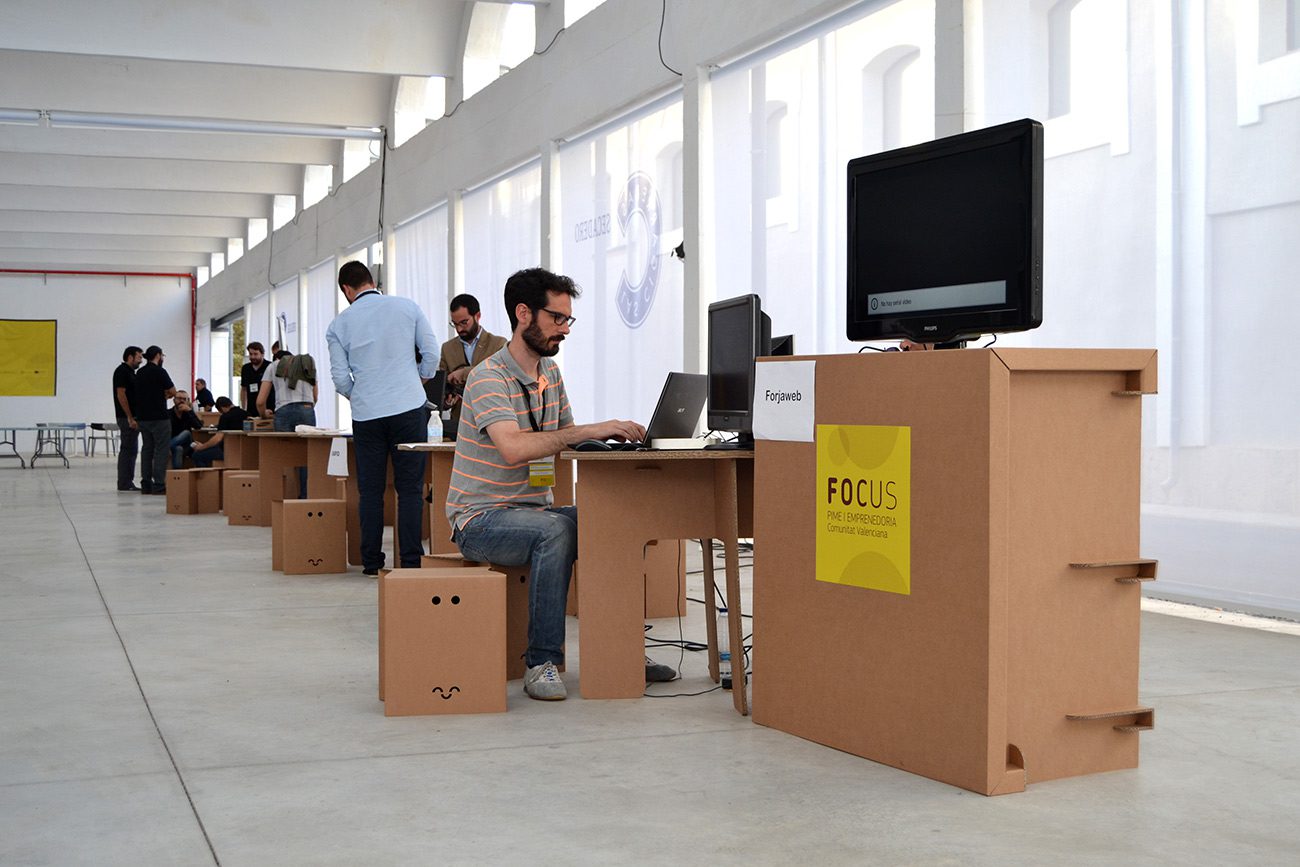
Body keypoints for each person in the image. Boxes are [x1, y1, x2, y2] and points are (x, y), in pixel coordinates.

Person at [446, 268, 674, 701]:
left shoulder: (550, 374)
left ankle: (622, 649)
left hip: (531, 512)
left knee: (608, 521)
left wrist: (613, 444)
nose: (564, 330)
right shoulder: (488, 378)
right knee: (557, 530)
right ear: (523, 313)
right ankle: (541, 663)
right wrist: (593, 427)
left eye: (569, 320)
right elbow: (513, 448)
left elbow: (569, 440)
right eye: (557, 319)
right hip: (480, 520)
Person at [326, 261, 439, 575]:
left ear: (347, 290)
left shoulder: (338, 325)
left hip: (367, 415)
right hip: (408, 408)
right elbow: (431, 353)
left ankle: (372, 563)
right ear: (372, 280)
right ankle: (411, 562)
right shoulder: (407, 307)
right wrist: (417, 380)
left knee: (371, 491)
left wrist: (361, 394)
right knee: (411, 489)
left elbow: (339, 378)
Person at [438, 293, 507, 439]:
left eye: (464, 322)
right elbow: (441, 386)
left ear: (478, 316)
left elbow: (499, 373)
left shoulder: (498, 344)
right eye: (455, 324)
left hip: (493, 419)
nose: (459, 329)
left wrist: (463, 373)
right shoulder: (447, 348)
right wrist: (447, 400)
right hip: (460, 423)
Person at [258, 348, 318, 497]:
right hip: (307, 408)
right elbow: (315, 396)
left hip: (283, 410)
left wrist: (264, 415)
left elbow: (260, 401)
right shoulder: (307, 364)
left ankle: (282, 497)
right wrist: (305, 409)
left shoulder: (272, 366)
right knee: (306, 456)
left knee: (283, 456)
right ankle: (305, 498)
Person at [134, 345, 177, 495]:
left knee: (147, 449)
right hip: (159, 417)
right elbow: (173, 391)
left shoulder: (139, 372)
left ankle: (146, 484)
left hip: (143, 418)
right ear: (158, 356)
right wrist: (165, 395)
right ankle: (159, 484)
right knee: (161, 450)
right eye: (162, 356)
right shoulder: (160, 372)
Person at [113, 345, 143, 491]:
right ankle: (125, 483)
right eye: (139, 357)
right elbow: (121, 394)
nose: (141, 360)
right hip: (126, 418)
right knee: (128, 449)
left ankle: (127, 482)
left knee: (131, 449)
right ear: (130, 357)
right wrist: (129, 417)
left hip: (131, 417)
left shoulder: (131, 372)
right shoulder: (122, 372)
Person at [191, 396, 248, 468]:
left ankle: (206, 478)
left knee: (197, 455)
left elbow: (218, 439)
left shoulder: (225, 417)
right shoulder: (246, 414)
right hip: (245, 452)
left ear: (222, 408)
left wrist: (202, 447)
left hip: (227, 451)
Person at [239, 342, 274, 416]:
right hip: (251, 408)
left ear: (262, 354)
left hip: (268, 407)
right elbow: (244, 389)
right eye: (251, 354)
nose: (253, 357)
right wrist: (243, 408)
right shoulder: (246, 368)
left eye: (255, 354)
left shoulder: (270, 366)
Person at [168, 397, 202, 469]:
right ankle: (178, 474)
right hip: (174, 443)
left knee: (186, 433)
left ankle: (166, 446)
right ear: (174, 400)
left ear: (188, 401)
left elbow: (198, 426)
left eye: (184, 399)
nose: (181, 401)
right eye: (179, 398)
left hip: (188, 444)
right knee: (178, 448)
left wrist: (190, 410)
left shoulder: (188, 413)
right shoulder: (168, 413)